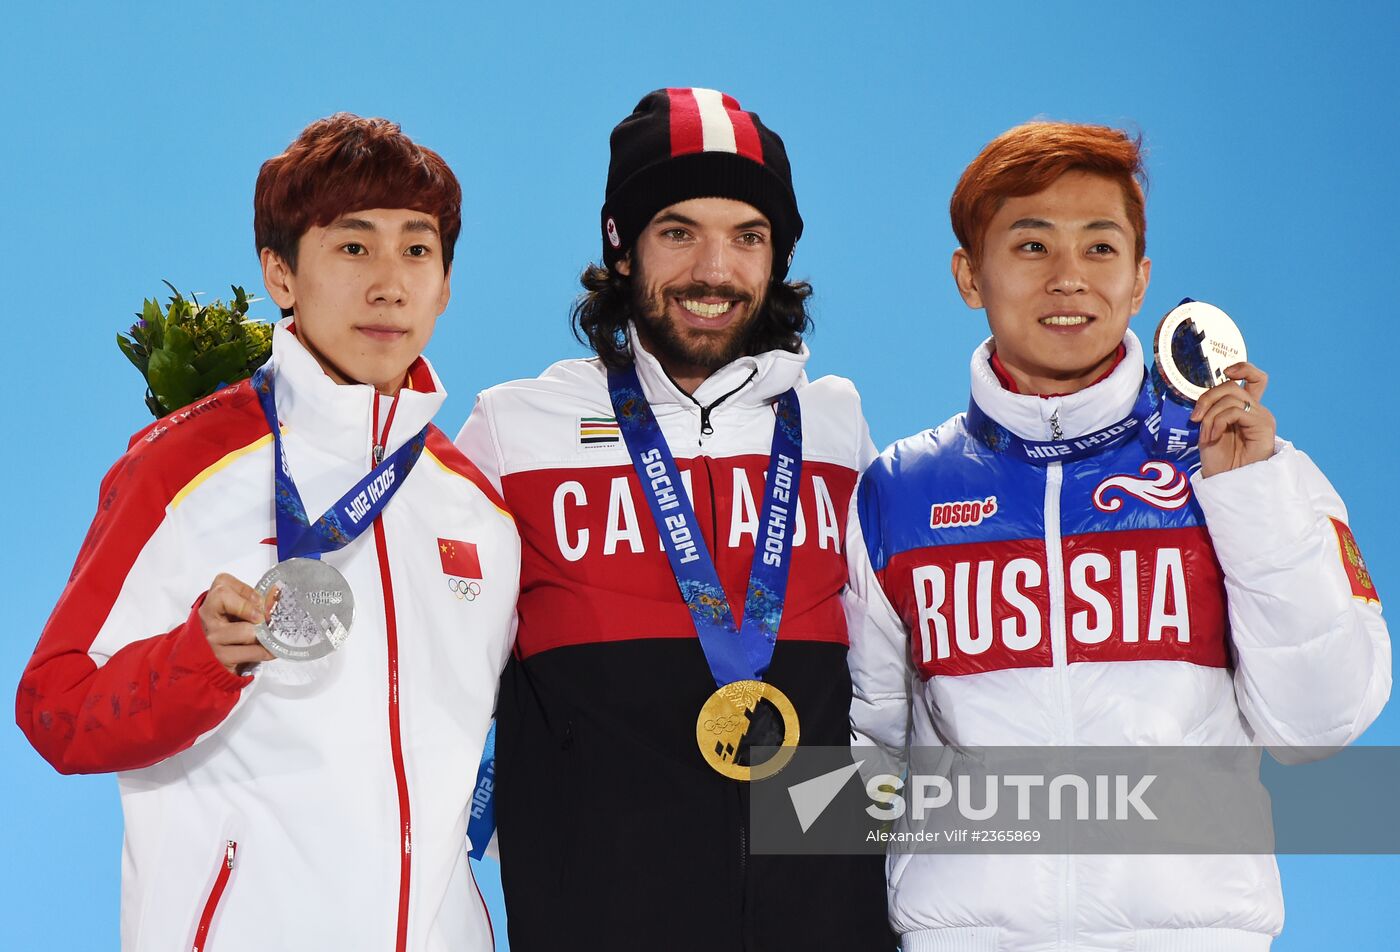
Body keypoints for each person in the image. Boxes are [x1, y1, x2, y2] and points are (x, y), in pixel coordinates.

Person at [846, 120, 1391, 951]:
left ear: (1139, 280)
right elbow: (868, 759)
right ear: (969, 275)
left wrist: (1253, 497)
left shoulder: (1244, 469)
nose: (1069, 279)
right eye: (1031, 246)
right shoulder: (898, 492)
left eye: (1099, 249)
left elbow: (1318, 730)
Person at [16, 114, 518, 952]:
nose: (390, 284)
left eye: (417, 250)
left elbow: (505, 754)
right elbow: (55, 709)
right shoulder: (181, 466)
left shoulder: (476, 510)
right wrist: (197, 658)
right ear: (280, 274)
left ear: (446, 285)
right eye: (353, 248)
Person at [456, 87, 894, 949]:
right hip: (604, 914)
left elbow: (888, 680)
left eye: (748, 236)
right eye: (678, 231)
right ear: (621, 247)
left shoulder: (837, 427)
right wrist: (564, 847)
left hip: (823, 917)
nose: (715, 271)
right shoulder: (514, 430)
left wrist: (851, 860)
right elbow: (440, 672)